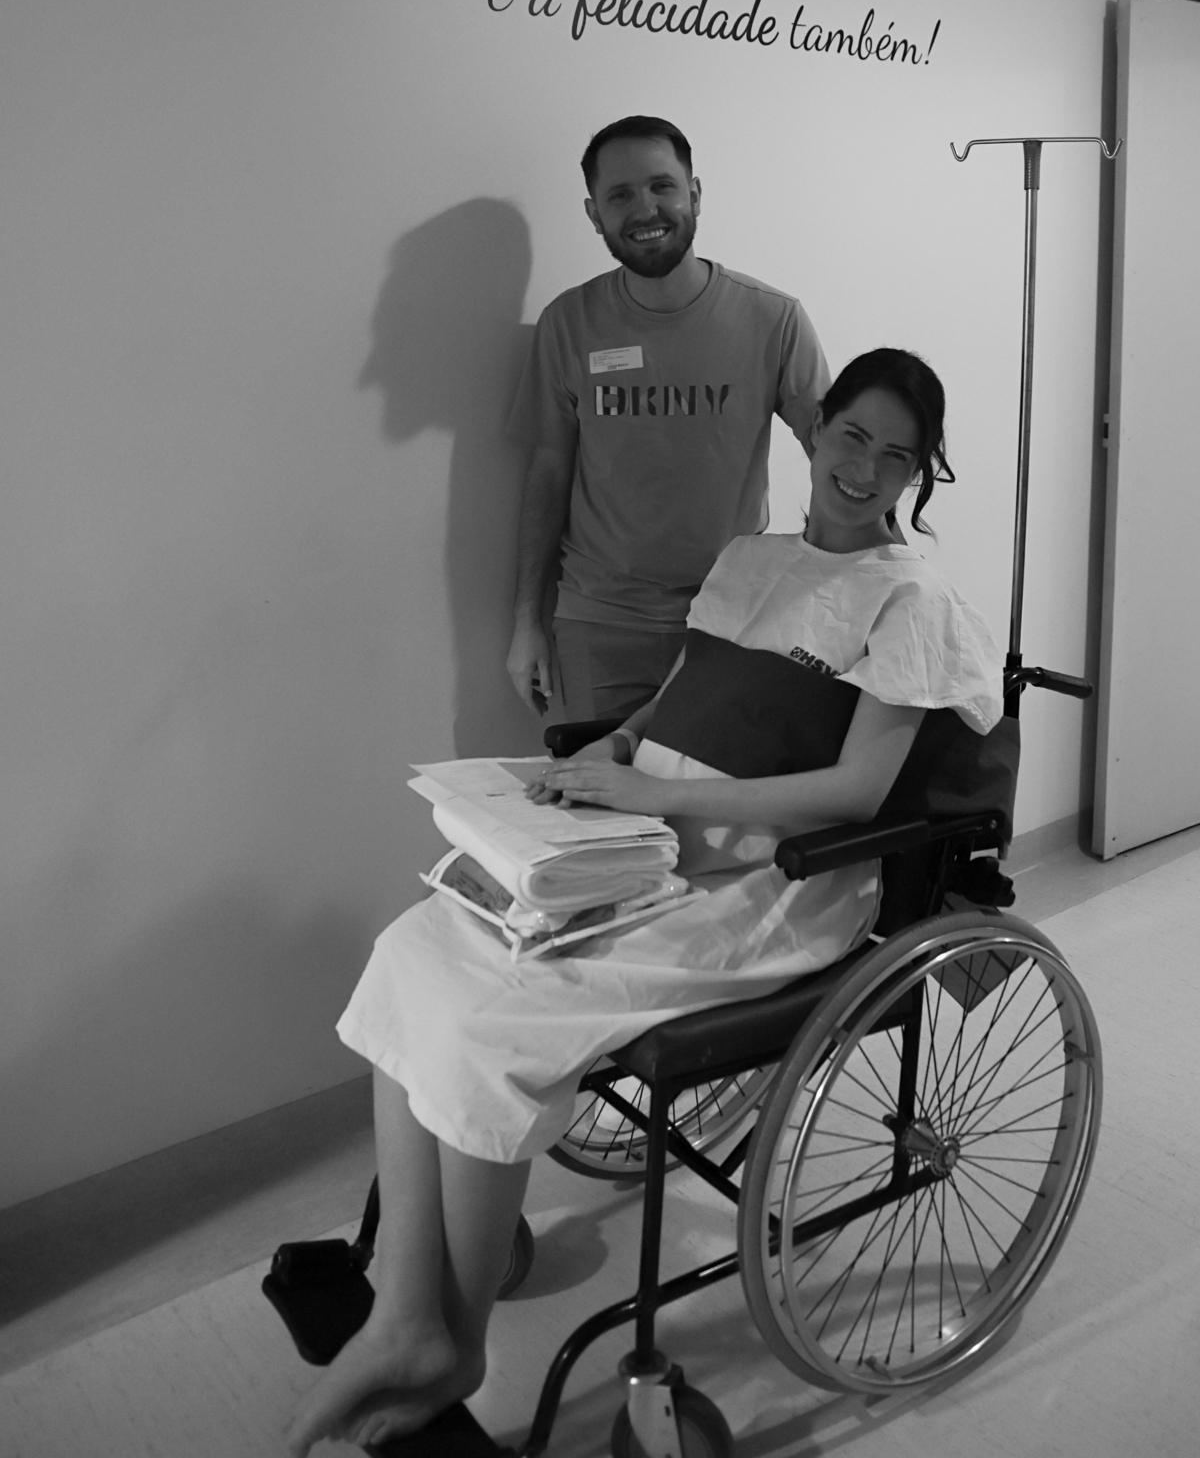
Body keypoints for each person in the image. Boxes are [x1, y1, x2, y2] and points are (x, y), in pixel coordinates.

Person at [286, 348, 1002, 1454]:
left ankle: (449, 1340)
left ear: (918, 474)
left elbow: (857, 792)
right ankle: (405, 1314)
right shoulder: (752, 557)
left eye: (897, 455)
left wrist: (649, 795)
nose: (866, 468)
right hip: (646, 843)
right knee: (415, 950)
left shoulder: (912, 599)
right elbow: (676, 695)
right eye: (853, 436)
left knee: (490, 1022)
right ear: (816, 431)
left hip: (768, 885)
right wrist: (612, 753)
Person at [505, 114, 830, 722]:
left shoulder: (773, 320)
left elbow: (837, 455)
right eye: (620, 195)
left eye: (662, 186)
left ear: (695, 194)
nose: (645, 209)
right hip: (599, 625)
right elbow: (547, 475)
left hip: (733, 623)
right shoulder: (568, 324)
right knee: (598, 784)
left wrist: (875, 584)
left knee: (717, 786)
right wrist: (526, 623)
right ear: (594, 213)